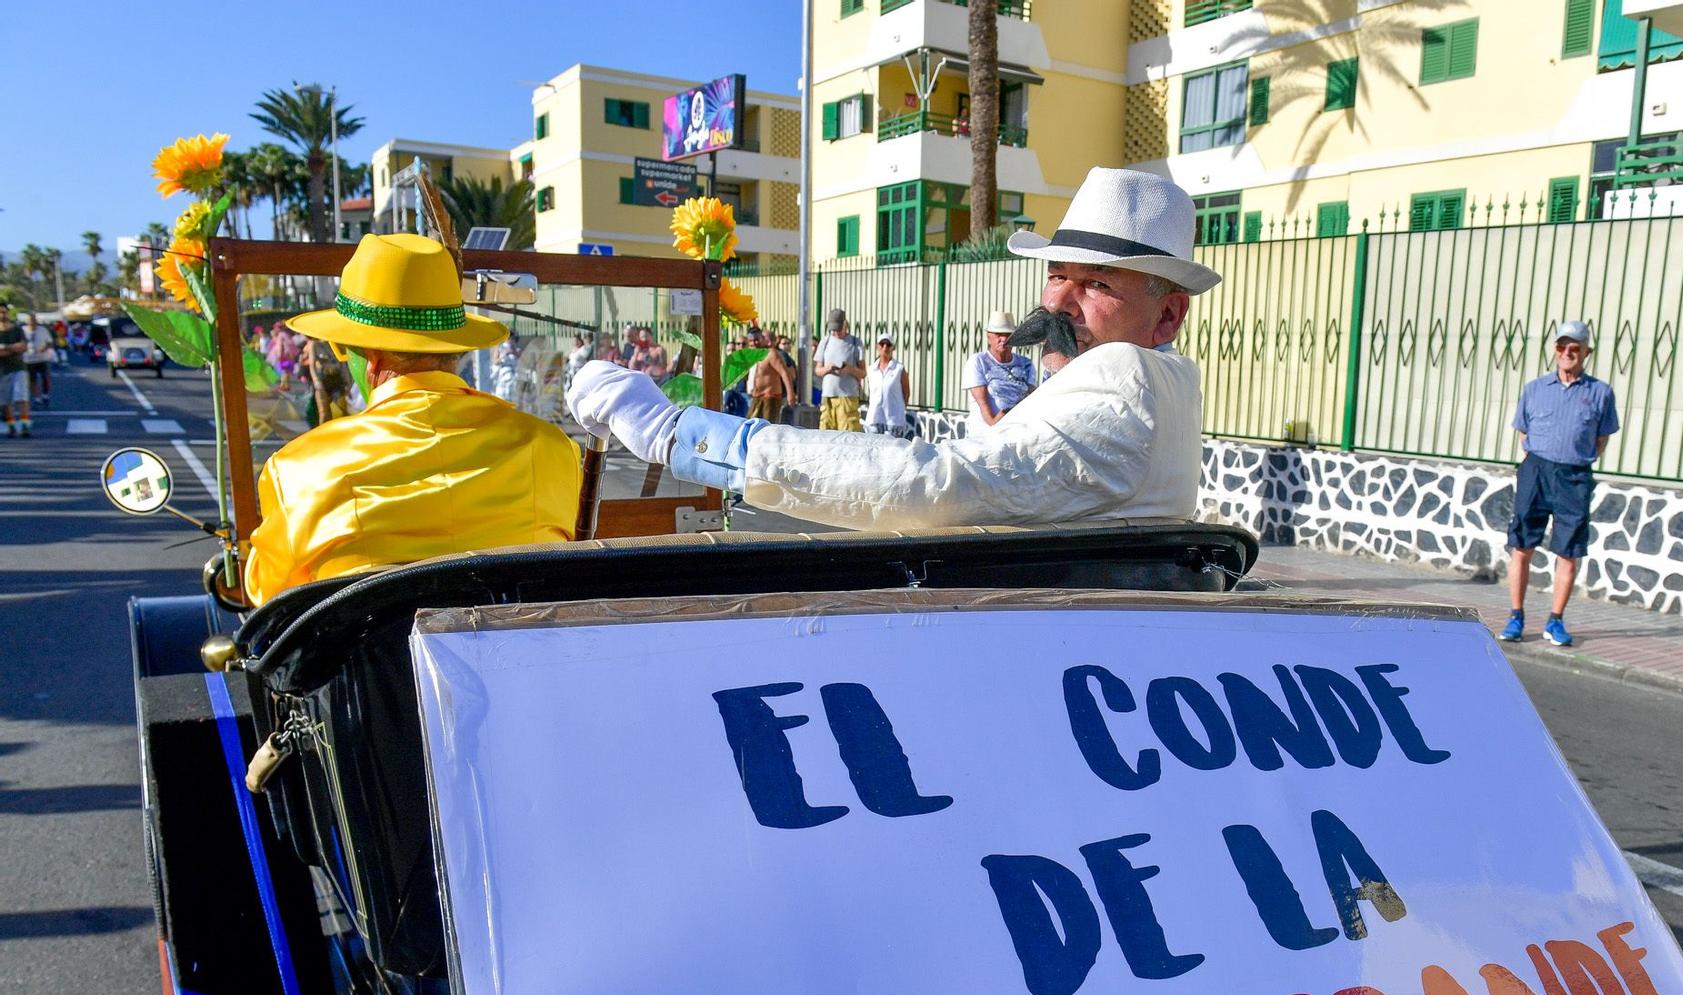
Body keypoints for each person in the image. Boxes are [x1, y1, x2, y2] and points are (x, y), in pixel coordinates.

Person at [566, 166, 1220, 529]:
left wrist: (680, 434)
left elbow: (938, 485)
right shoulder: (1166, 384)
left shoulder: (1125, 375)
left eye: (1097, 284)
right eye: (1056, 275)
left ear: (1166, 317)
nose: (1057, 304)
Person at [241, 233, 580, 605]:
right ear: (453, 349)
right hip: (516, 660)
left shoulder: (298, 469)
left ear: (371, 359)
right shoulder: (552, 448)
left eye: (342, 349)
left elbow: (269, 597)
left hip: (378, 663)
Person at [1501, 320, 1620, 648]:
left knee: (1568, 551)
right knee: (1522, 545)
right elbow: (1524, 432)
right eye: (1561, 347)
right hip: (1536, 471)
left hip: (1574, 477)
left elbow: (1602, 438)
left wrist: (1576, 460)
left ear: (1586, 352)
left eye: (1575, 348)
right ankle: (1516, 616)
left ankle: (1555, 621)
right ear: (1554, 349)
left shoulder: (1600, 392)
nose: (1567, 353)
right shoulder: (1535, 388)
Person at [963, 310, 1038, 428]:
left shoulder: (1026, 364)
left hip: (1017, 430)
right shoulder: (978, 361)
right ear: (988, 337)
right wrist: (1001, 418)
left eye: (1008, 335)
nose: (1003, 339)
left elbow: (1031, 398)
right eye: (998, 334)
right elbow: (985, 409)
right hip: (985, 434)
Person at [814, 309, 864, 432]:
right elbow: (817, 370)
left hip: (848, 397)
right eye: (833, 329)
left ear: (845, 324)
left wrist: (850, 369)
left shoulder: (855, 343)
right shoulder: (825, 342)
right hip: (828, 396)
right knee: (826, 433)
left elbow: (863, 373)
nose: (836, 333)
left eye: (838, 329)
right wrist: (827, 368)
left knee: (848, 433)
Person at [864, 333, 911, 436]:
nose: (885, 347)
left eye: (888, 345)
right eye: (882, 344)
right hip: (874, 418)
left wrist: (900, 408)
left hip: (894, 420)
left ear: (893, 348)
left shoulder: (899, 369)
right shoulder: (871, 369)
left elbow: (906, 392)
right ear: (877, 347)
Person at [748, 329, 793, 423]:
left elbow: (784, 373)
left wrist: (790, 394)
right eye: (752, 340)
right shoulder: (756, 355)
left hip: (770, 397)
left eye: (758, 339)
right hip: (757, 397)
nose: (755, 342)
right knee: (751, 424)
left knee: (767, 427)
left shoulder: (771, 354)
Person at [0, 307, 29, 437]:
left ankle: (24, 425)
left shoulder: (17, 329)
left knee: (21, 396)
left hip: (18, 367)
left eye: (4, 312)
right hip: (2, 370)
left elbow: (23, 347)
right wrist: (13, 348)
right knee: (6, 400)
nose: (2, 314)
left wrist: (5, 347)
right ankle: (11, 426)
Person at [22, 314, 55, 407]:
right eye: (30, 320)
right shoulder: (22, 330)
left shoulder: (43, 330)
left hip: (42, 358)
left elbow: (50, 342)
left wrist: (44, 348)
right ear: (27, 321)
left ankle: (45, 395)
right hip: (28, 359)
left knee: (46, 377)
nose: (32, 322)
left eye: (33, 320)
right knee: (32, 380)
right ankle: (37, 398)